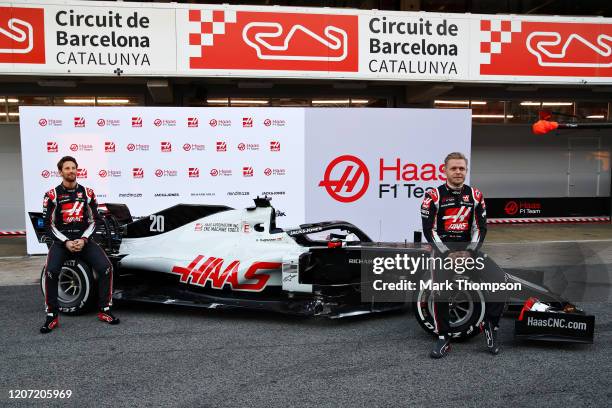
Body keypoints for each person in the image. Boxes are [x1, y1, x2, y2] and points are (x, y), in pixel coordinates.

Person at [421, 152, 505, 358]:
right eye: (454, 168)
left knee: (499, 281)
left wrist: (470, 251)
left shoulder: (475, 196)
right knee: (440, 290)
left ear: (466, 171)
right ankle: (443, 337)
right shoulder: (433, 196)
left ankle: (490, 327)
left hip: (469, 250)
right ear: (445, 170)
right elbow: (428, 230)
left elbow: (480, 227)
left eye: (462, 168)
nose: (458, 172)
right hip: (443, 251)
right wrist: (448, 253)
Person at [40, 156, 120, 334]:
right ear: (60, 172)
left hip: (84, 240)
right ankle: (51, 316)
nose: (71, 171)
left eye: (73, 168)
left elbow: (95, 220)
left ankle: (105, 310)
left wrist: (83, 239)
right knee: (51, 272)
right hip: (62, 242)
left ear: (77, 170)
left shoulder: (88, 193)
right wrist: (66, 242)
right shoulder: (51, 195)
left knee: (107, 267)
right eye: (67, 168)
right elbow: (48, 225)